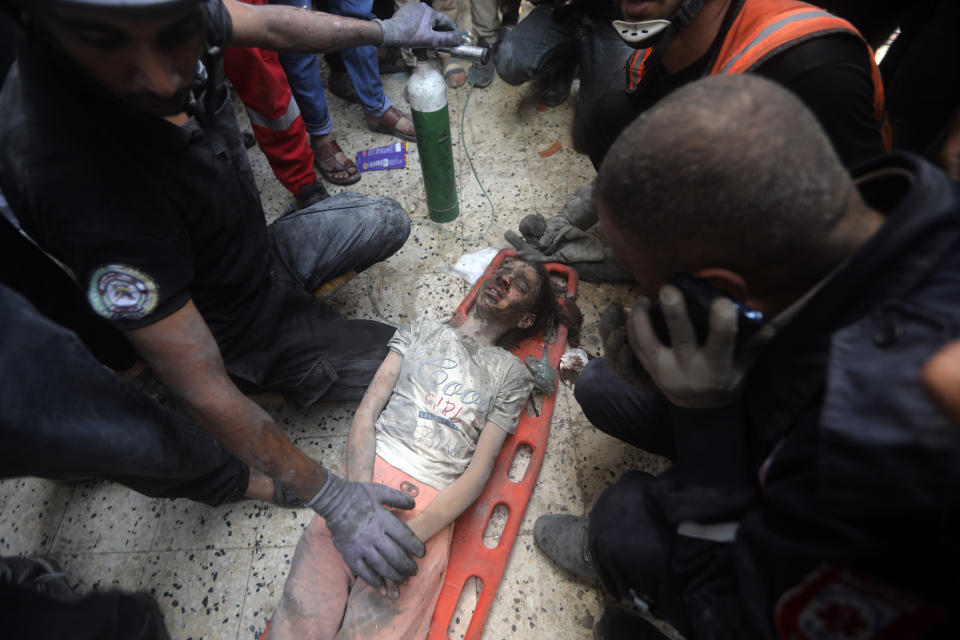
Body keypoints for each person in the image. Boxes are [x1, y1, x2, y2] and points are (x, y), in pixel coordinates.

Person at [0, 0, 460, 592]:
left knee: (386, 220)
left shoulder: (152, 13)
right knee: (411, 366)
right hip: (228, 329)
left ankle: (297, 316)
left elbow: (272, 24)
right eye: (110, 46)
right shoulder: (74, 180)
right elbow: (203, 389)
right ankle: (274, 367)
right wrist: (332, 498)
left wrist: (385, 29)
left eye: (176, 36)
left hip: (253, 253)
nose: (165, 77)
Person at [535, 75, 960, 638]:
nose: (641, 299)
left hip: (815, 569)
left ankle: (628, 570)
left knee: (623, 523)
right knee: (602, 387)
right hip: (795, 407)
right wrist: (687, 385)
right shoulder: (896, 201)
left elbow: (739, 615)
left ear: (721, 292)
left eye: (645, 284)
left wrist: (705, 418)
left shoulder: (869, 457)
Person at [267, 258, 574, 640]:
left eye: (519, 285)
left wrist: (414, 536)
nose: (504, 278)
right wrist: (360, 501)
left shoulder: (510, 373)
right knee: (298, 620)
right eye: (503, 271)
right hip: (365, 484)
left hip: (428, 509)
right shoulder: (419, 331)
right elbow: (366, 413)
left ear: (526, 320)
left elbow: (479, 471)